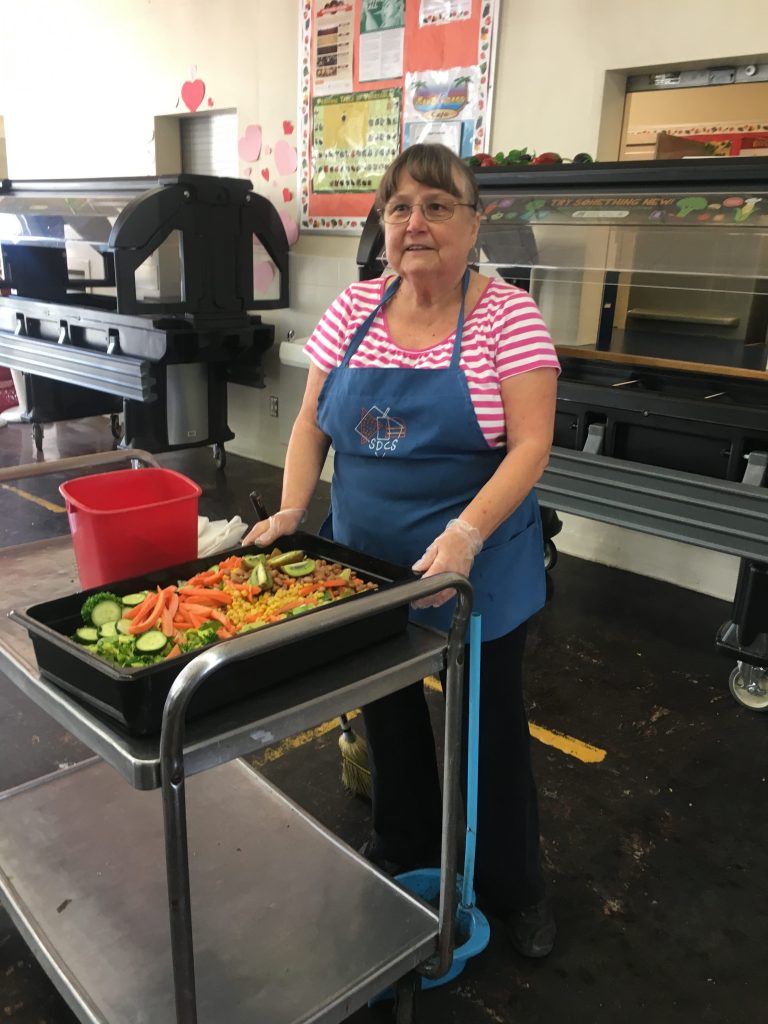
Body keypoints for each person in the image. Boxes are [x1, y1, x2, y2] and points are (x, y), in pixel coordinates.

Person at [243, 143, 560, 958]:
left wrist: (466, 531)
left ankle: (513, 888)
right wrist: (290, 510)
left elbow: (531, 444)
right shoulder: (352, 309)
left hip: (477, 563)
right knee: (387, 715)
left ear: (474, 222)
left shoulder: (506, 316)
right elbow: (312, 424)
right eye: (399, 208)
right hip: (366, 563)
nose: (415, 223)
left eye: (437, 205)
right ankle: (405, 849)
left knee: (487, 728)